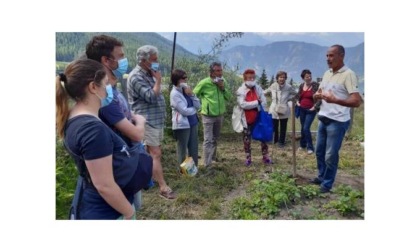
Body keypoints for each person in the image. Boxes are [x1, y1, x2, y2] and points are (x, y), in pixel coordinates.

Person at [56, 59, 144, 219]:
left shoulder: (75, 118)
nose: (108, 88)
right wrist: (129, 212)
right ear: (93, 87)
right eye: (105, 83)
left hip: (94, 203)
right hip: (106, 210)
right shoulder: (93, 130)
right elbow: (104, 185)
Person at [85, 34, 147, 209]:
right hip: (118, 169)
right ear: (106, 60)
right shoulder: (105, 97)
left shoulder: (110, 90)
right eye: (120, 56)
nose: (124, 60)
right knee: (128, 208)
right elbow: (135, 134)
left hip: (124, 163)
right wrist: (139, 121)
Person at [310, 45, 362, 193]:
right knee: (319, 152)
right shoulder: (327, 73)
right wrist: (317, 96)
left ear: (342, 56)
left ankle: (327, 184)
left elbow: (356, 101)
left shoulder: (348, 74)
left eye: (331, 55)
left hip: (338, 121)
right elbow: (321, 93)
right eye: (327, 55)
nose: (328, 59)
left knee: (330, 155)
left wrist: (336, 101)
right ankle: (321, 176)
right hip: (324, 118)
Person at [127, 45, 176, 200]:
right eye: (154, 60)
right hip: (147, 121)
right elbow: (150, 96)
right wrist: (159, 80)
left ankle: (146, 179)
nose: (157, 62)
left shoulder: (149, 74)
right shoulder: (136, 76)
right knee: (155, 153)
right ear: (143, 60)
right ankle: (162, 187)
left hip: (155, 120)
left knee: (151, 152)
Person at [193, 62, 232, 170]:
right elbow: (193, 95)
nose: (220, 73)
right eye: (217, 71)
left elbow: (229, 97)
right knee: (208, 140)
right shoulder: (204, 83)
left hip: (220, 115)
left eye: (221, 70)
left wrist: (222, 88)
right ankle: (207, 164)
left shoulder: (223, 82)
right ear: (211, 72)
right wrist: (201, 108)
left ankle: (213, 158)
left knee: (215, 138)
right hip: (207, 116)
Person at [236, 69, 272, 166]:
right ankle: (248, 158)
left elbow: (264, 101)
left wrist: (257, 104)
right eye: (249, 78)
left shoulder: (258, 88)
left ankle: (265, 157)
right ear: (244, 79)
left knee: (263, 137)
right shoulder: (241, 90)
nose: (251, 79)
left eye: (253, 77)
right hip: (246, 119)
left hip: (259, 117)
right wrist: (257, 103)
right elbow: (243, 104)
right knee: (247, 139)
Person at [170, 69, 201, 168]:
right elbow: (184, 111)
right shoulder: (174, 94)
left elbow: (198, 104)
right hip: (182, 125)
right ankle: (183, 172)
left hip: (193, 122)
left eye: (186, 77)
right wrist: (194, 110)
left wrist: (192, 94)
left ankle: (193, 170)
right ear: (177, 80)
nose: (186, 79)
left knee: (193, 148)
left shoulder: (187, 90)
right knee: (182, 149)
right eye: (184, 78)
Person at [264, 71, 297, 148]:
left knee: (283, 126)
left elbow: (295, 94)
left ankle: (281, 142)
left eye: (283, 77)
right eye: (280, 77)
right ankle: (274, 140)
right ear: (277, 78)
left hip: (284, 109)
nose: (282, 79)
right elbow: (266, 92)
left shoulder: (288, 87)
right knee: (274, 126)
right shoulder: (273, 85)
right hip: (274, 109)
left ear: (285, 78)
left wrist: (289, 98)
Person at [296, 69, 321, 154]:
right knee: (303, 128)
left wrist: (315, 107)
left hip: (311, 110)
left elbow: (320, 98)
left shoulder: (315, 85)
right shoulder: (301, 85)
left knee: (306, 128)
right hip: (302, 109)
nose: (309, 78)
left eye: (310, 76)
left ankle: (310, 147)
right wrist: (297, 102)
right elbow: (298, 96)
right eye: (307, 76)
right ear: (303, 78)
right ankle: (302, 145)